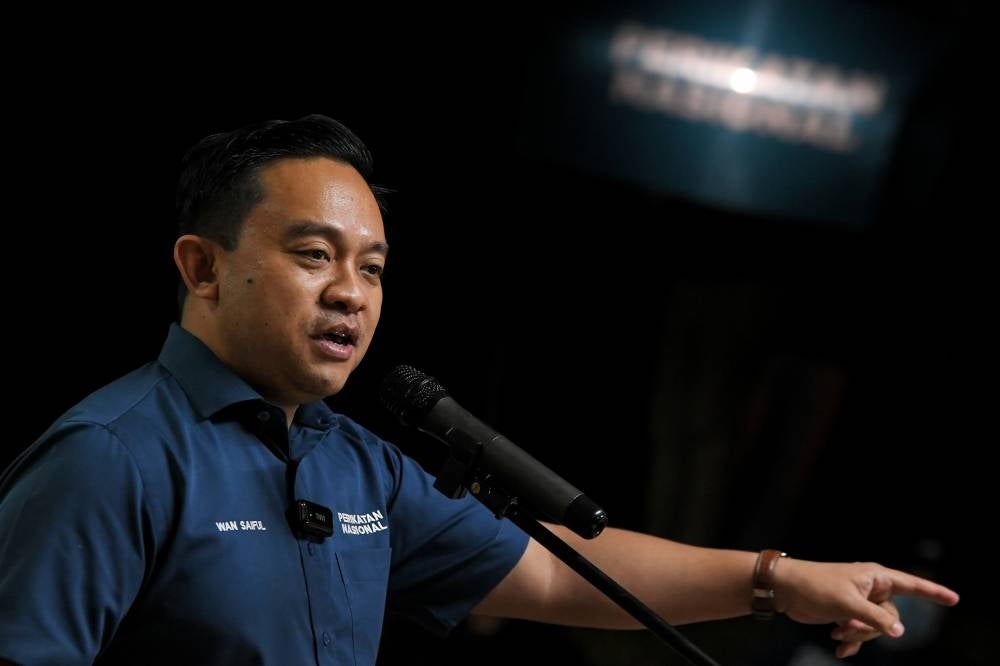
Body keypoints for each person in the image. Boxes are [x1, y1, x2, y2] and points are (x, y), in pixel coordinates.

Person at [0, 114, 958, 665]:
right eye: (313, 254)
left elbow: (551, 572)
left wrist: (773, 580)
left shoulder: (355, 462)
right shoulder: (110, 459)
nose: (350, 290)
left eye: (372, 267)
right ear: (202, 267)